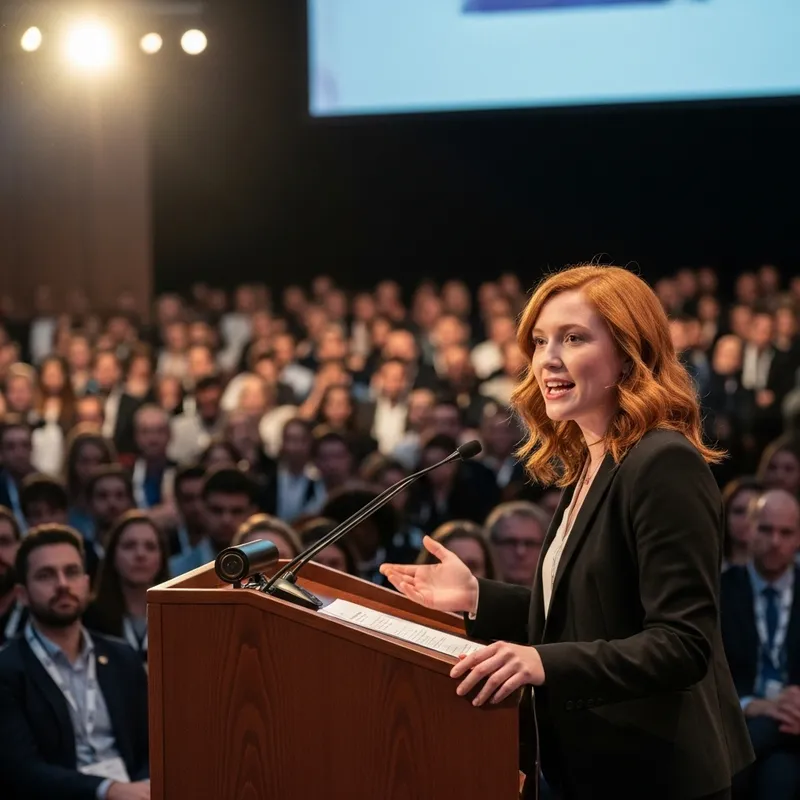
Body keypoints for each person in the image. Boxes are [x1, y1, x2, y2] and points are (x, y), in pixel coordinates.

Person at [381, 265, 754, 800]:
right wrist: (476, 596)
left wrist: (539, 661)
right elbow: (589, 612)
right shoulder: (592, 459)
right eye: (539, 341)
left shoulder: (664, 462)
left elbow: (682, 643)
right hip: (583, 766)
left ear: (629, 353)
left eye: (573, 338)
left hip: (653, 776)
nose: (547, 359)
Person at [0, 524, 150, 799]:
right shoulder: (8, 670)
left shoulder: (121, 656)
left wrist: (146, 785)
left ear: (87, 583)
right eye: (46, 575)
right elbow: (21, 771)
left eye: (72, 572)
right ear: (22, 594)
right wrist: (106, 789)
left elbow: (153, 745)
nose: (62, 584)